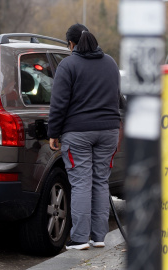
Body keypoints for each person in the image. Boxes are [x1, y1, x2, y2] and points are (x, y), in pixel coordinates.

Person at [47, 23, 120, 250]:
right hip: (109, 132)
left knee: (80, 183)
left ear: (71, 44)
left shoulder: (68, 65)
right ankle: (99, 237)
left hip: (78, 132)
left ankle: (79, 239)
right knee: (100, 182)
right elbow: (117, 97)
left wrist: (53, 132)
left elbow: (58, 104)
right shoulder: (110, 63)